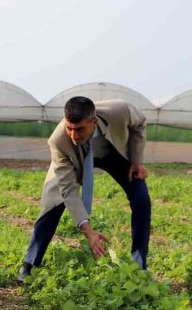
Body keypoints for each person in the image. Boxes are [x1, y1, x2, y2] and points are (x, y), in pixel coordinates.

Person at [18, 96, 151, 283]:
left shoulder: (120, 110)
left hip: (113, 153)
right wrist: (88, 231)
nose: (73, 135)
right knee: (53, 202)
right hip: (75, 160)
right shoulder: (59, 141)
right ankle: (30, 264)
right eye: (69, 128)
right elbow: (69, 191)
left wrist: (137, 160)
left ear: (94, 122)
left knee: (141, 200)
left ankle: (139, 265)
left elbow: (140, 124)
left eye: (79, 129)